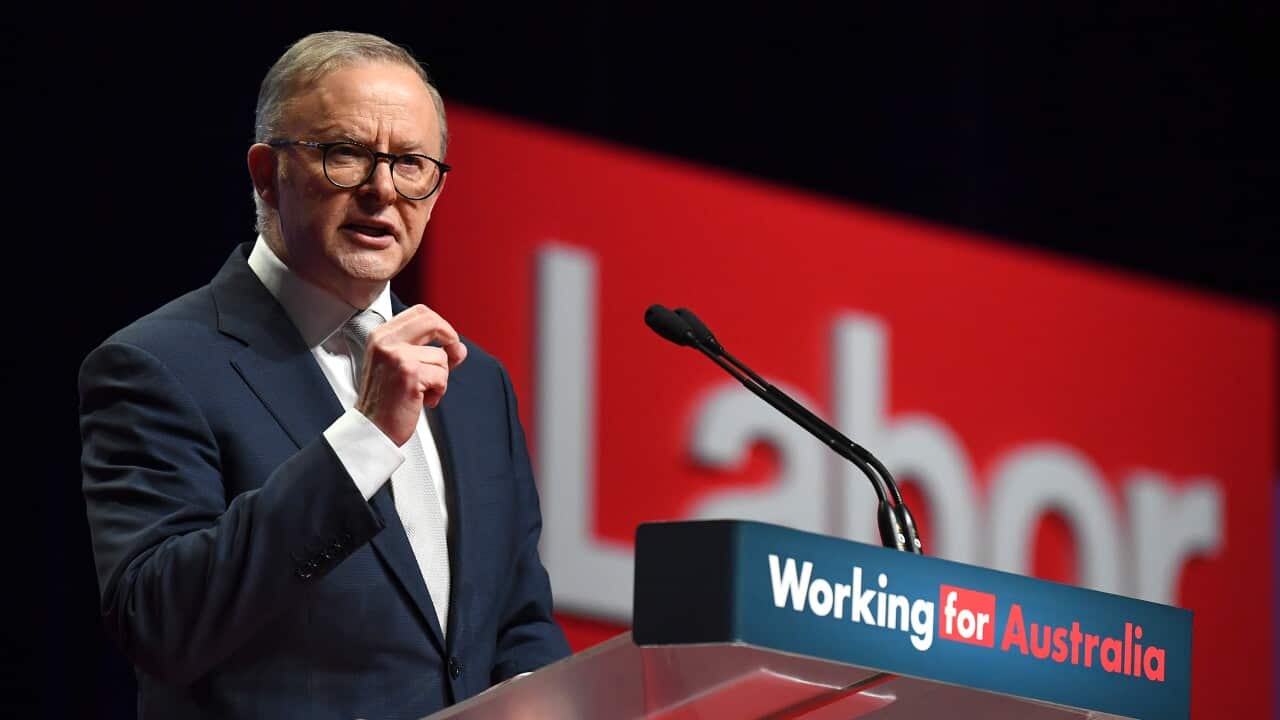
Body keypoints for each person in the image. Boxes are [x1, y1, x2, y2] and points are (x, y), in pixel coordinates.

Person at [78, 31, 569, 719]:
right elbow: (162, 621)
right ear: (264, 172)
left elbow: (518, 623)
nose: (381, 190)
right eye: (345, 155)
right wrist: (365, 439)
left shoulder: (477, 382)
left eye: (412, 164)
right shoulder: (159, 365)